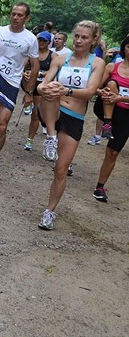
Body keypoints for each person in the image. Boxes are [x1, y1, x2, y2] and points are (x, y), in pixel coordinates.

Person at [36, 21, 105, 230]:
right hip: (53, 110)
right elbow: (42, 85)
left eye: (84, 37)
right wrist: (44, 88)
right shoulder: (60, 58)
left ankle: (50, 212)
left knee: (61, 169)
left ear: (93, 40)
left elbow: (91, 91)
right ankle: (50, 136)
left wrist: (66, 91)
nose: (79, 41)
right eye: (77, 36)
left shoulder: (97, 63)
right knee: (52, 88)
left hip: (74, 116)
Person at [0, 2, 39, 177]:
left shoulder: (30, 39)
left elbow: (35, 65)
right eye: (13, 14)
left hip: (11, 82)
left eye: (20, 15)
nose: (15, 17)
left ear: (27, 18)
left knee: (2, 126)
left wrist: (29, 92)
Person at [91, 35, 129, 202]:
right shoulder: (112, 66)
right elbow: (94, 87)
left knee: (113, 152)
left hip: (125, 112)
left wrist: (119, 98)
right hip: (105, 106)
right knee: (112, 84)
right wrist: (105, 93)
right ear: (124, 48)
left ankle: (100, 186)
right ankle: (106, 124)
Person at [22, 31, 53, 152]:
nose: (41, 43)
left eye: (44, 41)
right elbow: (22, 66)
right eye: (39, 40)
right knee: (32, 109)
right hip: (30, 83)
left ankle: (30, 139)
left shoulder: (53, 56)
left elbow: (54, 71)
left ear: (48, 43)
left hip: (42, 86)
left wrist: (40, 73)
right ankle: (26, 102)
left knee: (36, 113)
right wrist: (25, 73)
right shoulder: (31, 53)